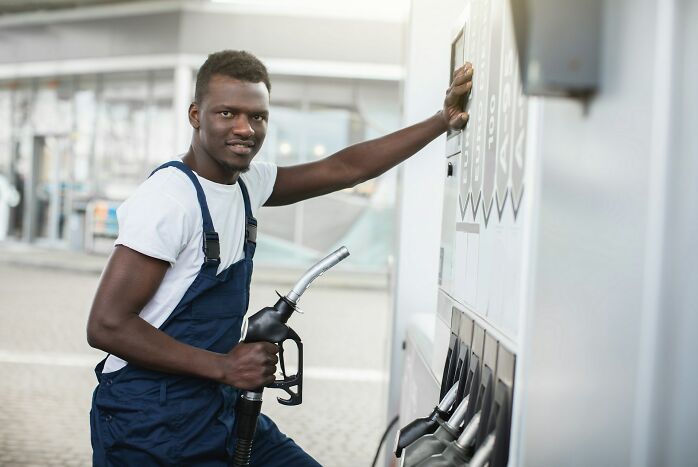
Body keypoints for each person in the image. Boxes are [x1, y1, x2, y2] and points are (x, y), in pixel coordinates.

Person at [87, 50, 473, 466]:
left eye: (258, 117)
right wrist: (224, 366)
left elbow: (344, 168)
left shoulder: (246, 183)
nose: (245, 129)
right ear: (196, 115)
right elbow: (107, 326)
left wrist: (441, 121)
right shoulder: (168, 201)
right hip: (149, 420)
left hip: (215, 406)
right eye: (227, 113)